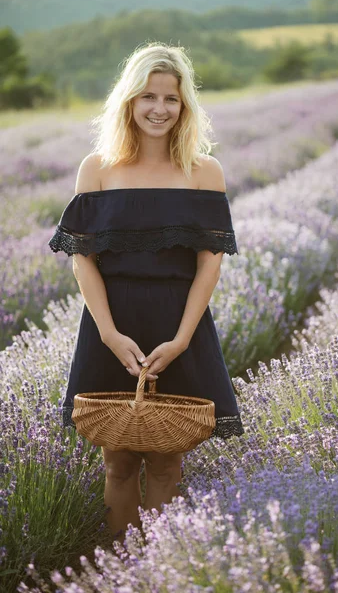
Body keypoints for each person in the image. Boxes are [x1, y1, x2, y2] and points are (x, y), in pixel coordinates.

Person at [49, 41, 244, 544]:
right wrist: (110, 334)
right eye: (148, 97)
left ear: (185, 107)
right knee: (117, 460)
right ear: (129, 101)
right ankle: (122, 563)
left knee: (166, 459)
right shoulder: (97, 168)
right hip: (111, 325)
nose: (159, 109)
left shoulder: (205, 172)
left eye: (171, 99)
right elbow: (83, 260)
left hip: (178, 325)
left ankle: (158, 568)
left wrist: (182, 339)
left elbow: (209, 266)